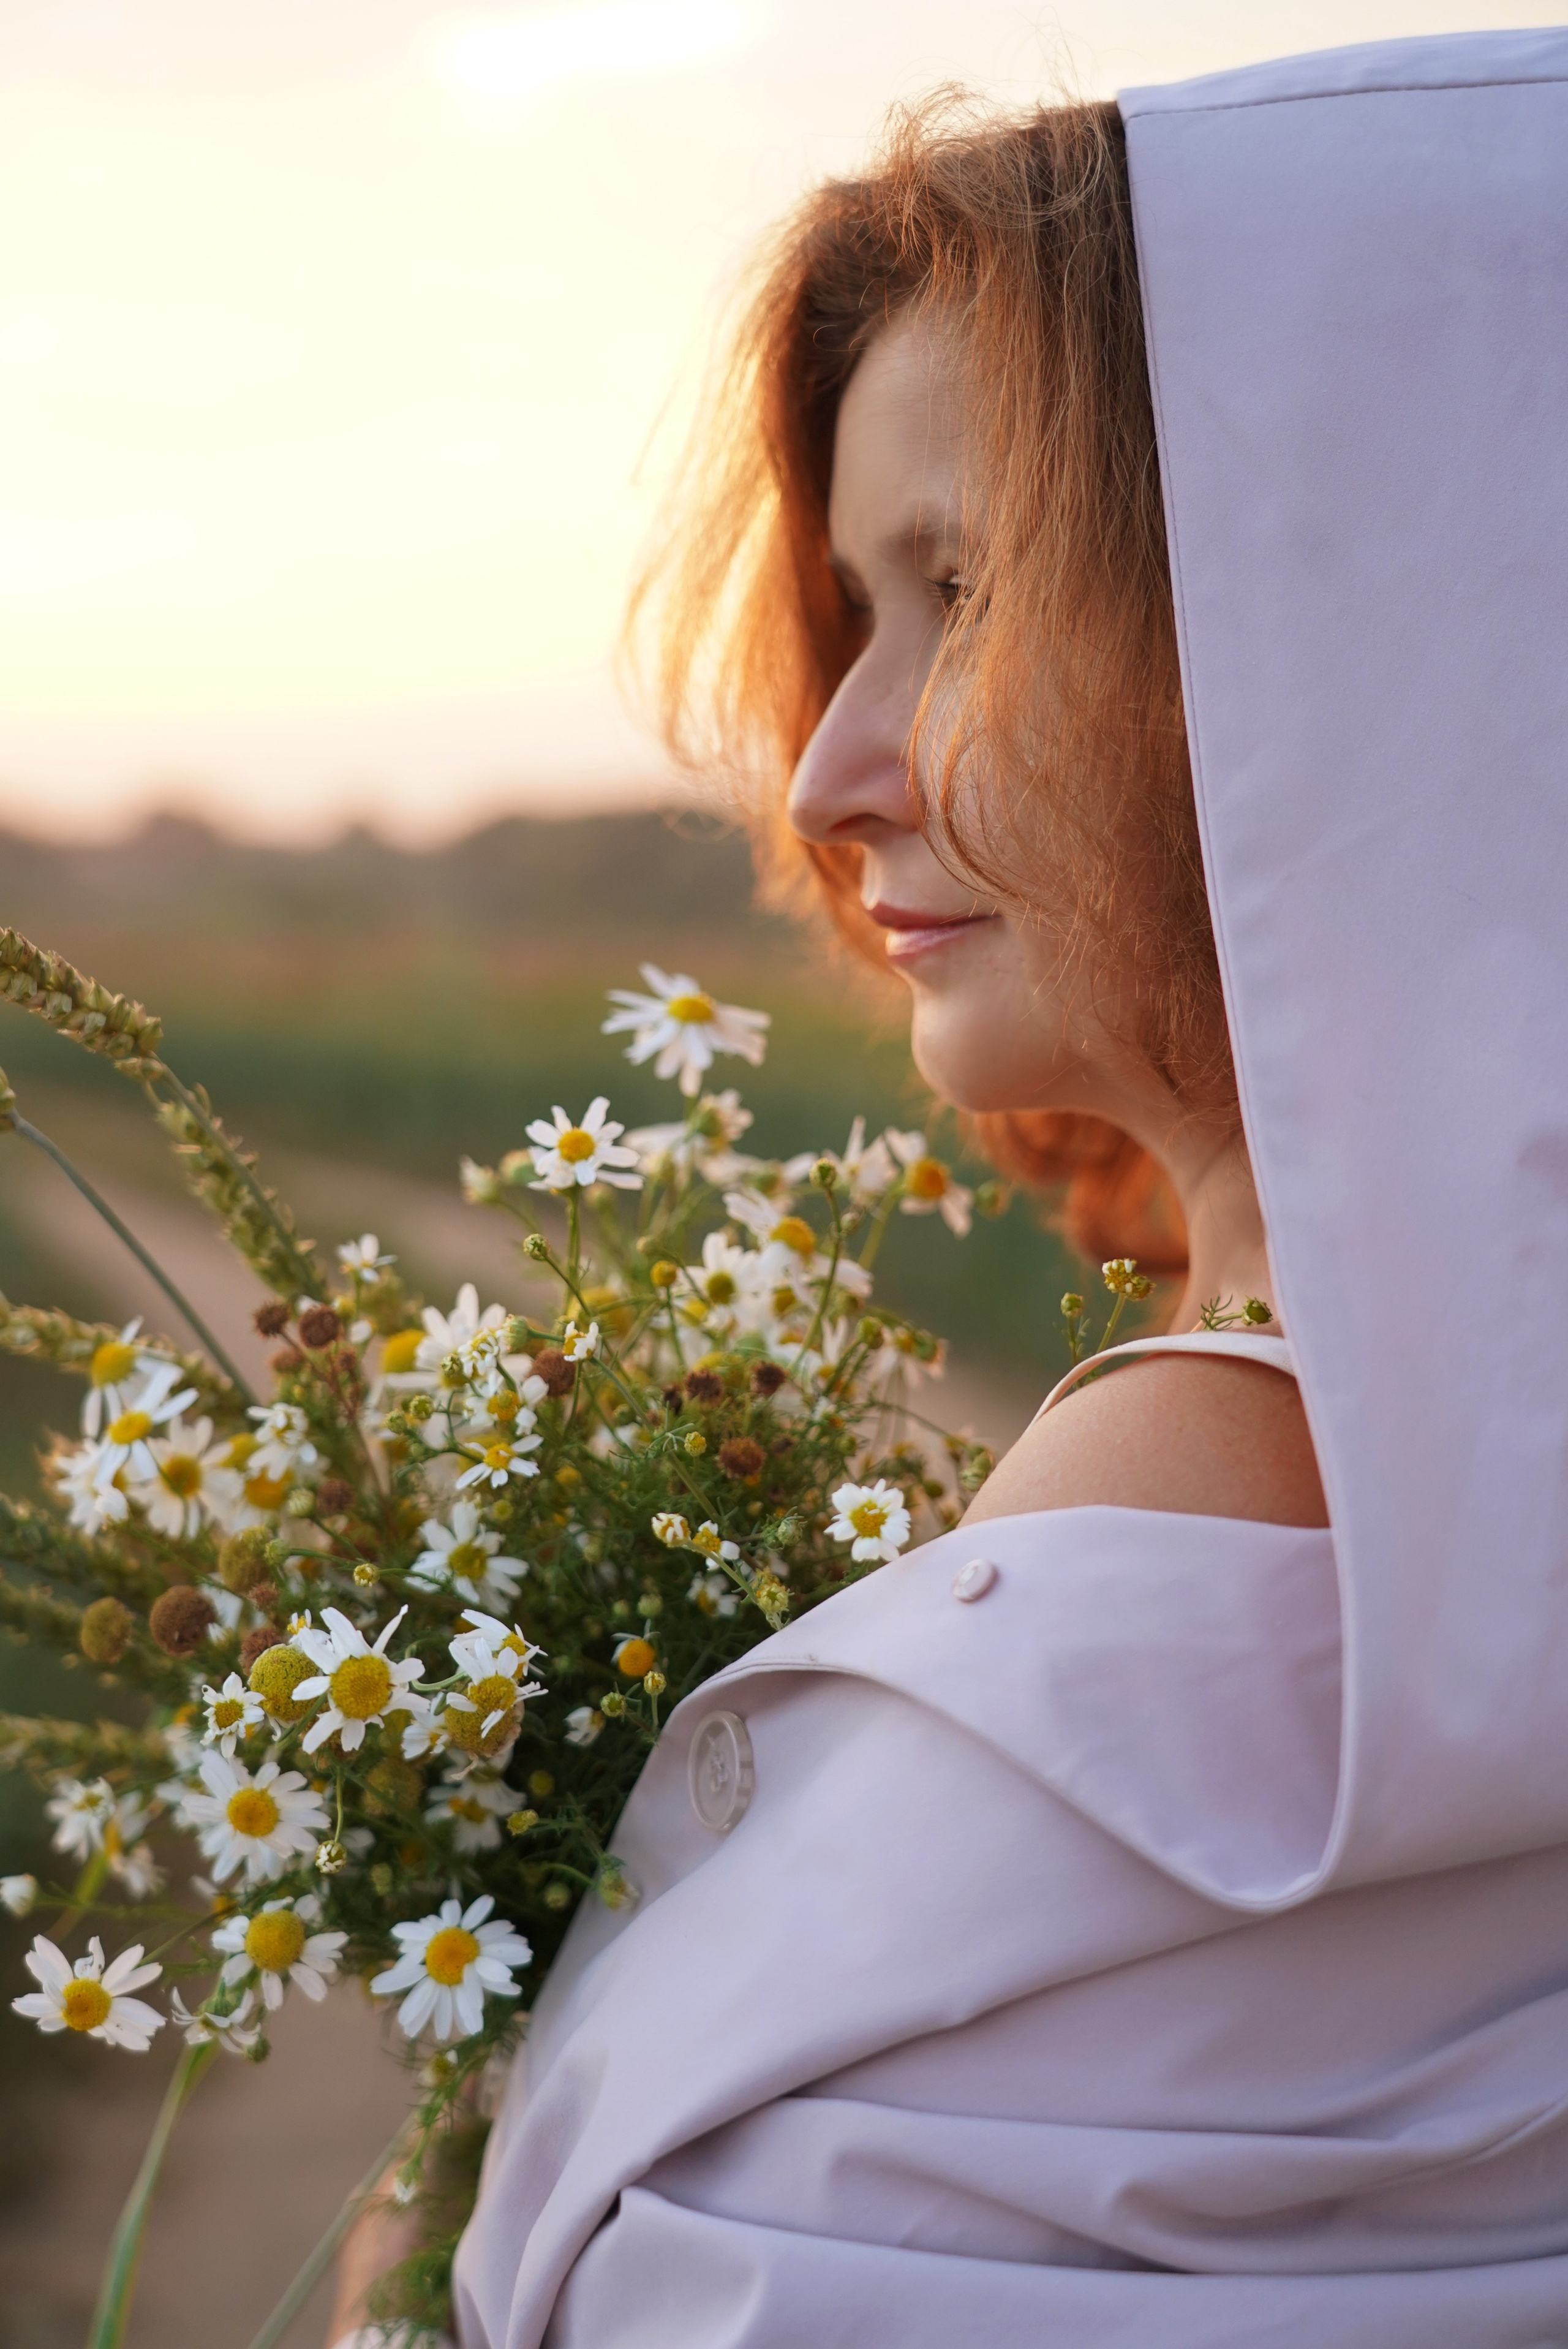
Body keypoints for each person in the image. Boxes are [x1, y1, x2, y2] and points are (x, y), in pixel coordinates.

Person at [333, 28, 1568, 2347]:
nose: (824, 766)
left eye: (964, 590)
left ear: (1344, 637)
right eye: (855, 607)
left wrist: (466, 2149)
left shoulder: (1213, 1470)